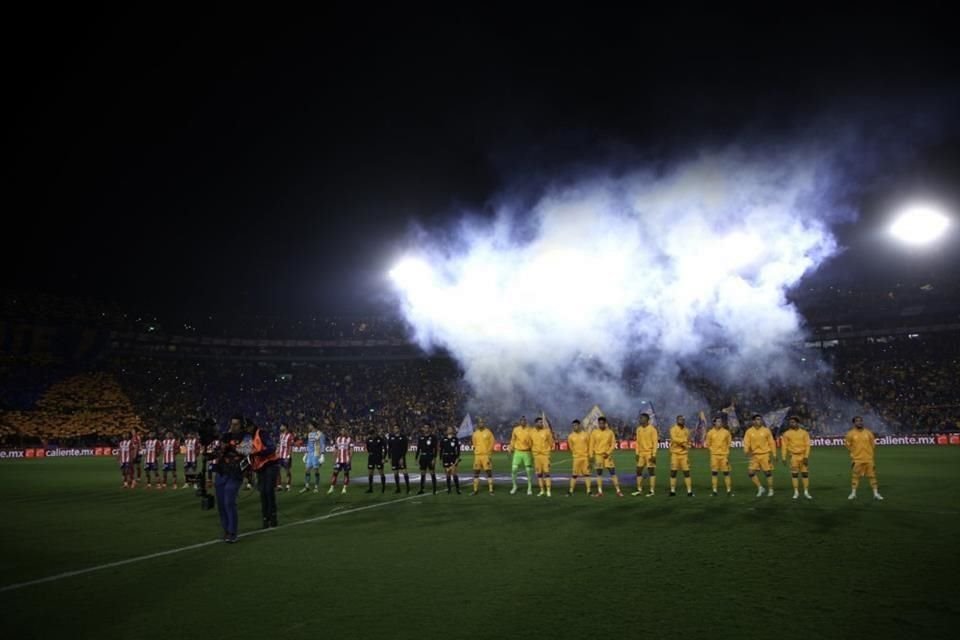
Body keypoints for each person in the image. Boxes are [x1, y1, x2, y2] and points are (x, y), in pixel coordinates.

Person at [214, 419, 245, 543]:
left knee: (229, 502)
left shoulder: (246, 437)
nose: (233, 426)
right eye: (231, 423)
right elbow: (218, 451)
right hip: (222, 472)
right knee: (221, 504)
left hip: (235, 473)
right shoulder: (225, 436)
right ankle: (226, 530)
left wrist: (230, 446)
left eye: (236, 423)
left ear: (241, 425)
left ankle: (232, 532)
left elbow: (245, 452)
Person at [249, 420, 279, 528]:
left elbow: (272, 447)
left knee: (268, 491)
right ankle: (266, 518)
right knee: (263, 493)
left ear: (252, 427)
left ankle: (273, 517)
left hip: (270, 464)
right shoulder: (247, 437)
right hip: (260, 467)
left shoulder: (261, 433)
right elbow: (242, 451)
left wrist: (257, 453)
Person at [845, 416, 884, 500]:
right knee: (855, 477)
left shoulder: (868, 433)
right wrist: (854, 454)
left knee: (872, 476)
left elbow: (873, 444)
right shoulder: (850, 434)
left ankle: (876, 494)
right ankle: (853, 493)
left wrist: (869, 453)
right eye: (857, 421)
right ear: (854, 423)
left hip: (869, 459)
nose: (859, 422)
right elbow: (848, 445)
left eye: (860, 421)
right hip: (857, 459)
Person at [780, 416, 813, 500]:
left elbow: (807, 445)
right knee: (794, 474)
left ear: (797, 423)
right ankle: (796, 492)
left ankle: (806, 491)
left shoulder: (804, 433)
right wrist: (783, 457)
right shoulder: (786, 434)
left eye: (793, 422)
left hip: (803, 456)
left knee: (805, 474)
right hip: (793, 456)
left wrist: (806, 456)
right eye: (790, 422)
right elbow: (784, 446)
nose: (791, 424)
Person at [743, 414, 776, 497]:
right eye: (757, 419)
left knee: (768, 473)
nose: (759, 421)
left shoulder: (766, 430)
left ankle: (771, 489)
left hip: (765, 454)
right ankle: (760, 487)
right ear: (753, 421)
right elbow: (746, 442)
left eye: (760, 419)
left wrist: (774, 454)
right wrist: (746, 451)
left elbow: (771, 443)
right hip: (754, 456)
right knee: (750, 473)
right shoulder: (749, 431)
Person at [590, 416, 623, 497]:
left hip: (607, 456)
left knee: (612, 472)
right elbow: (591, 444)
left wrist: (608, 453)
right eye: (599, 423)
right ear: (598, 424)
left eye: (602, 423)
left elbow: (613, 444)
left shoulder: (610, 432)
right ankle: (600, 491)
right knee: (599, 473)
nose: (601, 425)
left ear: (605, 423)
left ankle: (618, 490)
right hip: (598, 456)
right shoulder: (594, 432)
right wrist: (591, 456)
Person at [704, 417, 733, 497]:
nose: (720, 423)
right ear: (714, 423)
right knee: (714, 473)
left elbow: (729, 443)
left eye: (721, 421)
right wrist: (712, 450)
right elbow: (707, 443)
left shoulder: (726, 432)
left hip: (724, 456)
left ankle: (729, 490)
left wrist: (727, 451)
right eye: (718, 421)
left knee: (726, 473)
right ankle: (714, 491)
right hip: (714, 456)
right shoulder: (710, 433)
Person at [632, 413, 659, 497]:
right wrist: (637, 453)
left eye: (642, 418)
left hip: (649, 453)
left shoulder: (652, 429)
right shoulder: (638, 429)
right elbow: (638, 442)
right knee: (638, 470)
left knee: (651, 471)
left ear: (647, 420)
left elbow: (655, 443)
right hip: (641, 454)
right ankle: (639, 490)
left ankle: (652, 491)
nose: (640, 420)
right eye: (640, 418)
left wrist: (654, 455)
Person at [508, 416, 534, 495]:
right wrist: (510, 448)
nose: (523, 422)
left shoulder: (530, 429)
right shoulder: (515, 429)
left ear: (526, 422)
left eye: (524, 421)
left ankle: (529, 488)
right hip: (517, 452)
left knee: (529, 471)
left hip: (527, 452)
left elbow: (533, 440)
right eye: (521, 421)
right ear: (520, 422)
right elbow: (513, 440)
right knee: (514, 469)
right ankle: (514, 486)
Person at [668, 415, 694, 497]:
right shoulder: (673, 429)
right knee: (673, 472)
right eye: (680, 420)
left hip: (684, 455)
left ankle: (689, 491)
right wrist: (684, 442)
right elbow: (675, 439)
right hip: (675, 454)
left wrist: (688, 444)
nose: (682, 421)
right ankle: (672, 491)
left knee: (686, 472)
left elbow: (689, 441)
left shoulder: (687, 430)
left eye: (683, 420)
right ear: (677, 420)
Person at [567, 420, 592, 496]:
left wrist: (590, 455)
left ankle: (589, 491)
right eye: (573, 426)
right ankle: (571, 491)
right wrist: (575, 453)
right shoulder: (570, 436)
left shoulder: (586, 435)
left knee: (587, 474)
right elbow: (571, 447)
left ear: (579, 425)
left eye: (576, 425)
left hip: (585, 458)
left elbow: (589, 445)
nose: (574, 427)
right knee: (574, 475)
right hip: (576, 458)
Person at [531, 416, 555, 497]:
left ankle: (548, 490)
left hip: (545, 455)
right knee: (539, 474)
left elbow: (551, 443)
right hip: (536, 456)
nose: (541, 424)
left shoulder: (547, 431)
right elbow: (530, 443)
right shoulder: (532, 432)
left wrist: (548, 451)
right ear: (536, 423)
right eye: (540, 422)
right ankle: (542, 490)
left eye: (542, 422)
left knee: (547, 473)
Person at [470, 418, 495, 495]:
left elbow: (492, 443)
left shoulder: (488, 432)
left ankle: (491, 490)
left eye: (482, 423)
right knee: (476, 473)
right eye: (480, 423)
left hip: (486, 456)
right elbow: (474, 444)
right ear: (478, 424)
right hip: (477, 456)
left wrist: (489, 454)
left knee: (489, 473)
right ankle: (475, 490)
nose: (481, 424)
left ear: (484, 423)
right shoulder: (475, 433)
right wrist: (477, 451)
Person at [300, 421, 325, 493]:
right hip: (310, 454)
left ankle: (316, 487)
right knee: (307, 470)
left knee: (316, 470)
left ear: (313, 426)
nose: (308, 427)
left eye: (309, 425)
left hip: (316, 453)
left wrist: (322, 455)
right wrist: (306, 454)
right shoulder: (310, 434)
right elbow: (308, 444)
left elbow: (322, 444)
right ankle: (306, 486)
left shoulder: (320, 434)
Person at [327, 427, 353, 495]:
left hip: (346, 459)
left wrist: (350, 459)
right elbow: (335, 449)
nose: (343, 432)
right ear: (340, 432)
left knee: (346, 474)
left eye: (344, 430)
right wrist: (334, 458)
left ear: (346, 432)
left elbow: (351, 450)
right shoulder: (338, 439)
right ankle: (331, 488)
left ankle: (344, 488)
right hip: (338, 460)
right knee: (335, 473)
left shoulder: (349, 439)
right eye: (342, 430)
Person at [415, 422, 438, 495]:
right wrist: (416, 458)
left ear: (430, 429)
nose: (426, 429)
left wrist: (434, 458)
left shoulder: (433, 437)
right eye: (424, 427)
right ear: (423, 429)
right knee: (422, 473)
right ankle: (421, 489)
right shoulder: (421, 437)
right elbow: (418, 449)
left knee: (432, 473)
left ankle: (434, 489)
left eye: (427, 427)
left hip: (430, 456)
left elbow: (435, 449)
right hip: (423, 457)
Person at [387, 424, 410, 493]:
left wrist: (402, 458)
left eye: (396, 428)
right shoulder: (391, 437)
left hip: (401, 458)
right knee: (395, 473)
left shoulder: (403, 437)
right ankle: (398, 488)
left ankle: (408, 488)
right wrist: (389, 458)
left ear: (399, 429)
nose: (395, 429)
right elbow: (389, 448)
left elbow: (405, 449)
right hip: (394, 458)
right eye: (394, 428)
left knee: (405, 472)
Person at [439, 426, 462, 494]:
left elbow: (458, 449)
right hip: (445, 457)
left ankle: (457, 489)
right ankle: (449, 489)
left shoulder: (455, 439)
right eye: (448, 429)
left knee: (454, 473)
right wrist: (440, 458)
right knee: (447, 474)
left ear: (452, 430)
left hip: (453, 457)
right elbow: (441, 450)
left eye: (451, 429)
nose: (449, 430)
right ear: (446, 431)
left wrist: (457, 457)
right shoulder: (443, 439)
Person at [365, 428, 387, 493]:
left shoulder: (380, 439)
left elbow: (385, 449)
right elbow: (368, 448)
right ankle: (370, 488)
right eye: (370, 434)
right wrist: (370, 452)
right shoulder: (368, 439)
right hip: (371, 458)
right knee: (370, 473)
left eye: (372, 434)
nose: (371, 435)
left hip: (379, 458)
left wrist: (383, 458)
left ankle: (383, 488)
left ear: (375, 433)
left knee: (381, 473)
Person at [276, 423, 295, 491]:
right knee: (277, 471)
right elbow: (279, 444)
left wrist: (288, 456)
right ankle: (279, 485)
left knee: (287, 471)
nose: (280, 427)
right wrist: (277, 452)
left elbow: (290, 446)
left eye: (281, 426)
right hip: (280, 456)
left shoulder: (290, 435)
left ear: (285, 427)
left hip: (286, 456)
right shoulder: (281, 435)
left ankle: (288, 486)